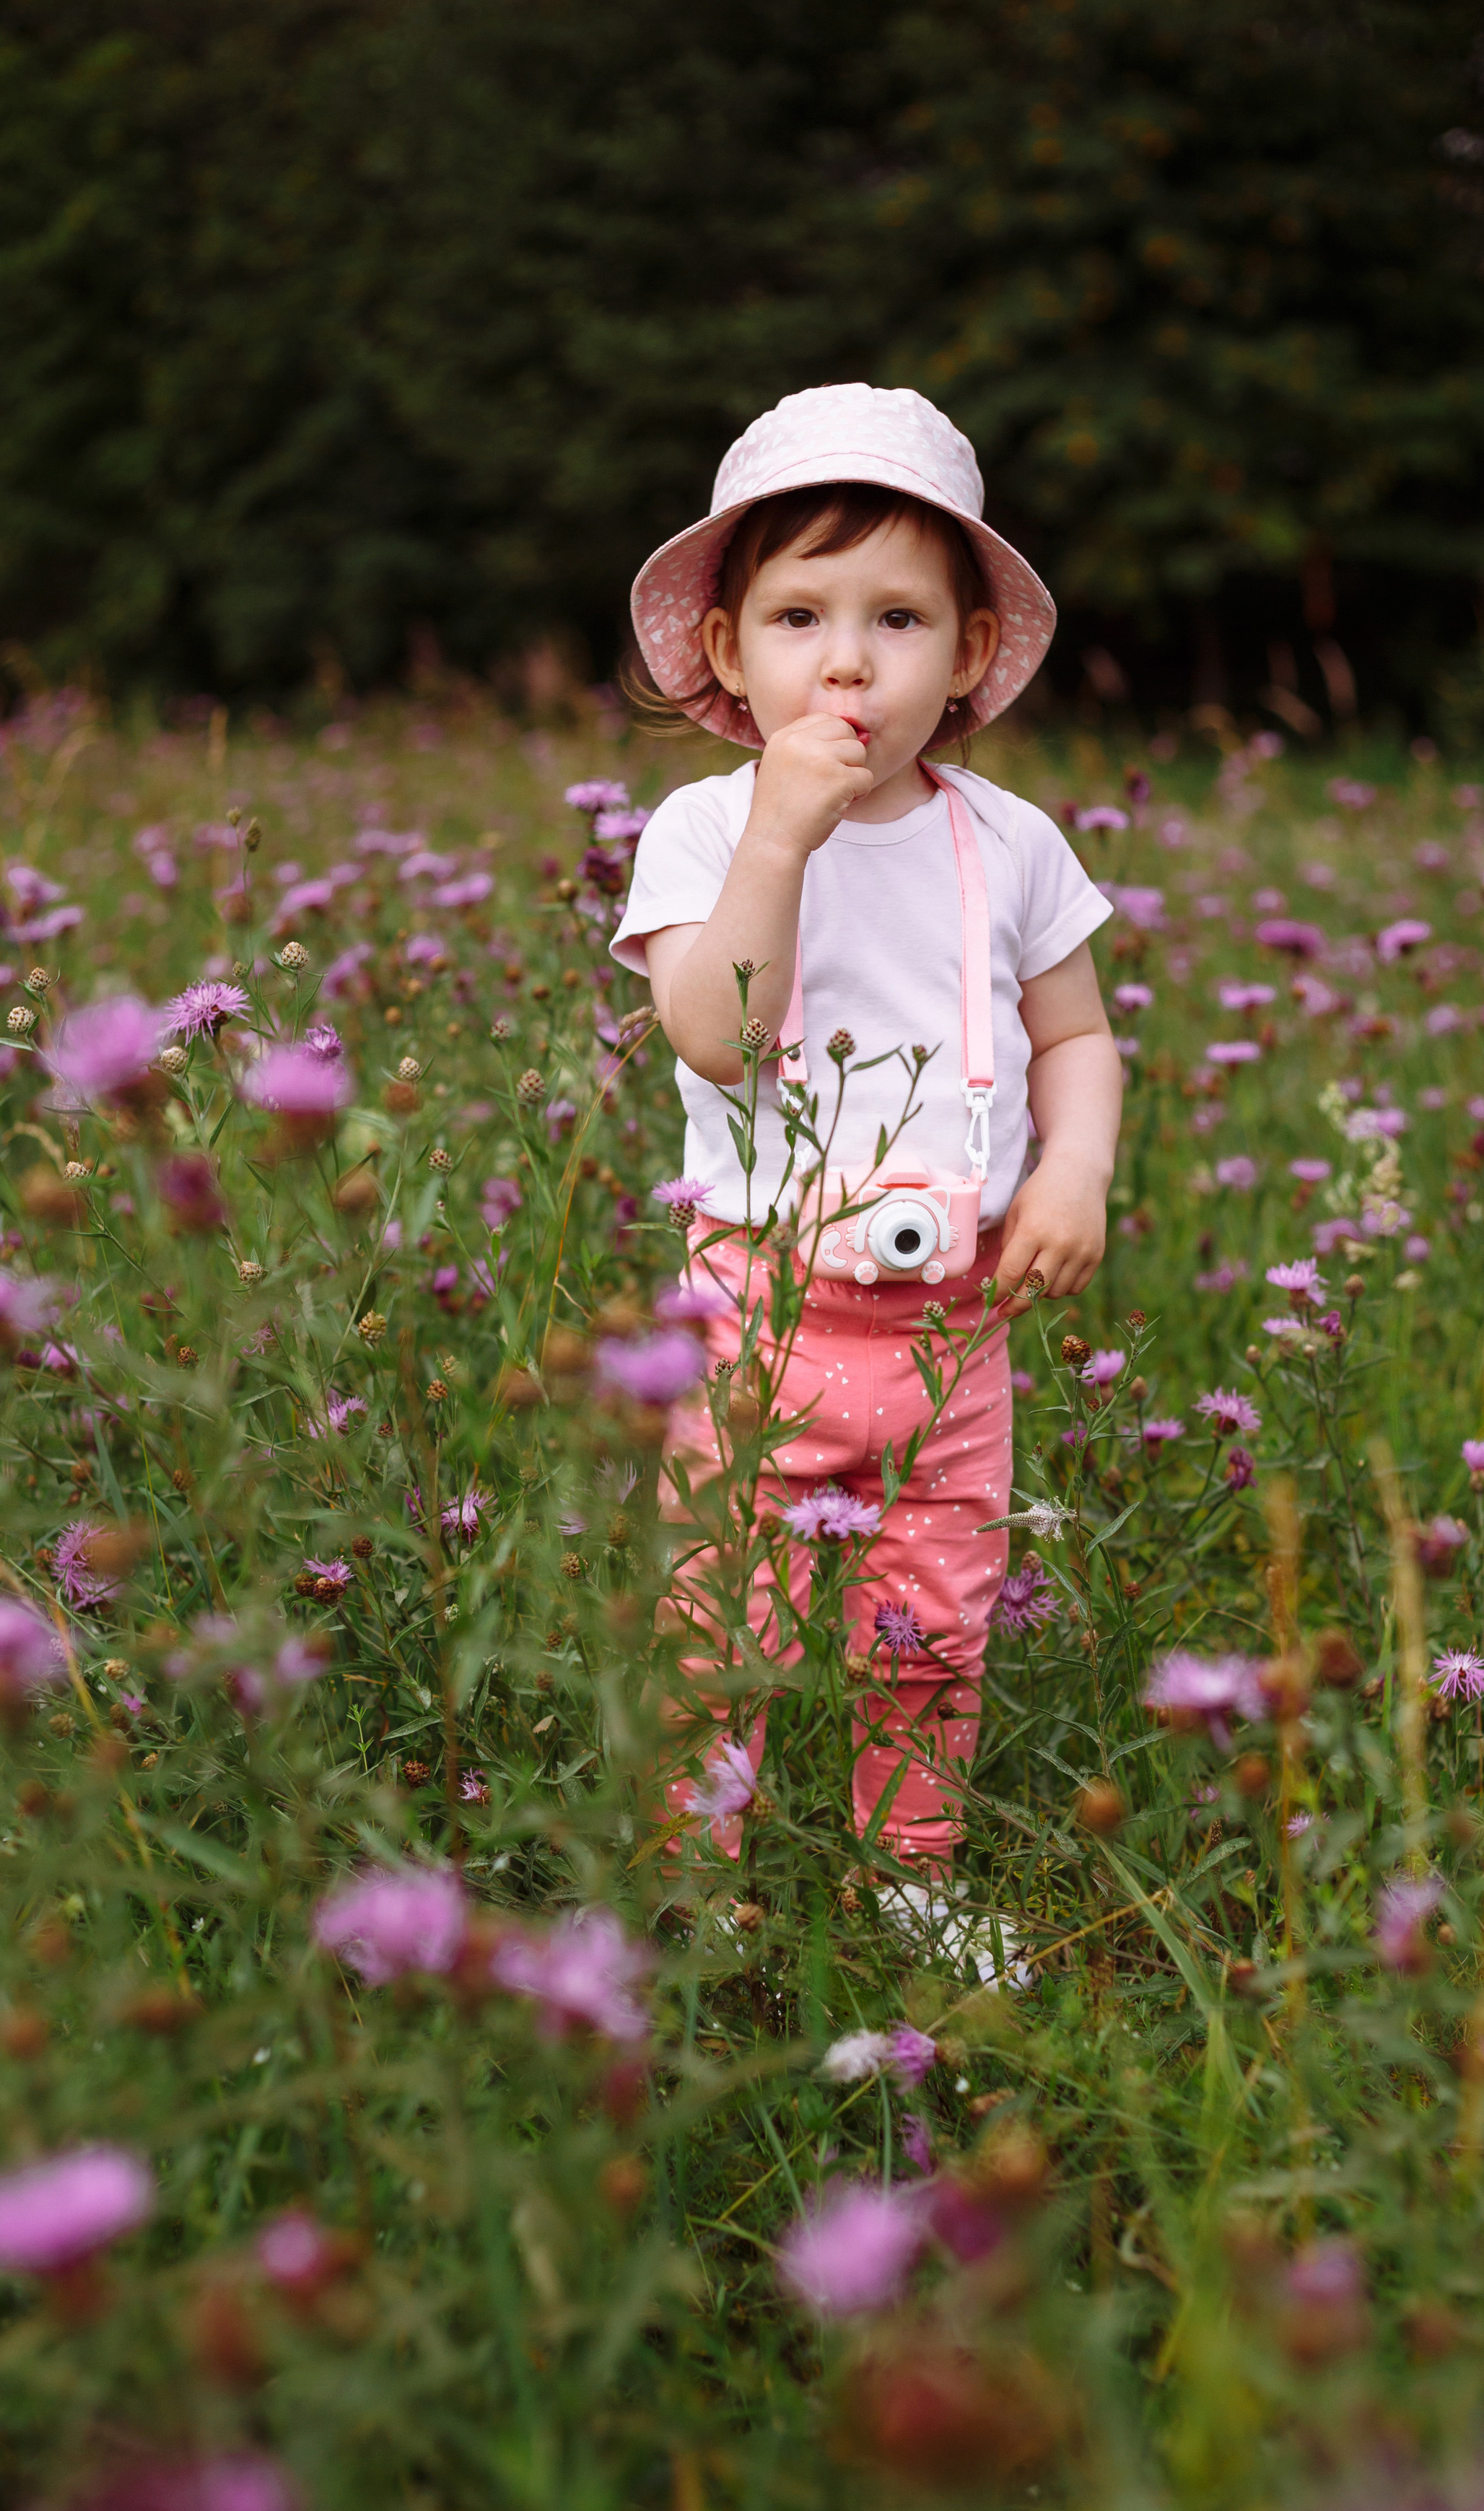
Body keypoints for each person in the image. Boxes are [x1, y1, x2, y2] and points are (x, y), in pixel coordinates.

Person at [611, 382, 1122, 1868]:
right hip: (751, 1303)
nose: (845, 662)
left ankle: (910, 1865)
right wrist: (781, 833)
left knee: (930, 1616)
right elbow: (714, 1029)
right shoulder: (706, 831)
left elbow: (1075, 1034)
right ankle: (693, 1868)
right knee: (715, 1611)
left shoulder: (1012, 842)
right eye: (798, 618)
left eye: (897, 620)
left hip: (952, 1315)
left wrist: (1074, 1166)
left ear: (966, 654)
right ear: (724, 645)